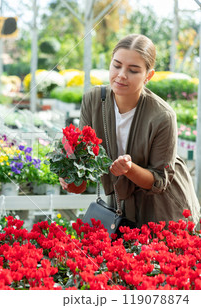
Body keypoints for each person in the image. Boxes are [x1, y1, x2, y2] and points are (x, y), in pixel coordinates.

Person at [61, 34, 200, 227]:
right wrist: (73, 181)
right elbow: (83, 162)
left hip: (164, 210)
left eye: (133, 70)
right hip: (122, 208)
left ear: (148, 76)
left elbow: (159, 181)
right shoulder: (93, 101)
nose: (121, 75)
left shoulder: (162, 116)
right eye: (117, 65)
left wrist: (129, 169)